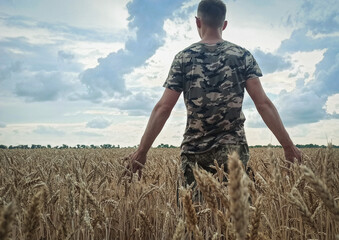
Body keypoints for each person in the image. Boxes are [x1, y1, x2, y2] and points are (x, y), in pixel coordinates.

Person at [125, 0, 301, 185]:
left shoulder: (183, 58)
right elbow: (263, 104)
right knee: (237, 213)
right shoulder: (242, 56)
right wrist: (288, 146)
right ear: (224, 24)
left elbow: (164, 108)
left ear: (197, 22)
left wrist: (142, 151)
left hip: (194, 151)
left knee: (193, 212)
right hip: (233, 149)